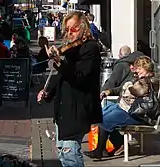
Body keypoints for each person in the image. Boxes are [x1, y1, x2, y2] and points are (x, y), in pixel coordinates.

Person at [37, 11, 102, 167]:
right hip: (64, 109)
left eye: (74, 29)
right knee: (63, 152)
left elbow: (79, 77)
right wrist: (48, 92)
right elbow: (60, 76)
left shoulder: (90, 48)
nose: (70, 33)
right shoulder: (70, 50)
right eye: (67, 29)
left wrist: (60, 62)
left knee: (70, 152)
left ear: (83, 28)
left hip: (78, 107)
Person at [84, 56, 159, 159]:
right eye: (137, 68)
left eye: (139, 69)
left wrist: (129, 84)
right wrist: (109, 91)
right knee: (104, 113)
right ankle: (108, 147)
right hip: (129, 109)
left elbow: (136, 91)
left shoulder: (149, 81)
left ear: (146, 68)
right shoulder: (141, 79)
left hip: (137, 114)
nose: (137, 71)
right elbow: (123, 89)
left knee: (103, 119)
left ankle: (101, 150)